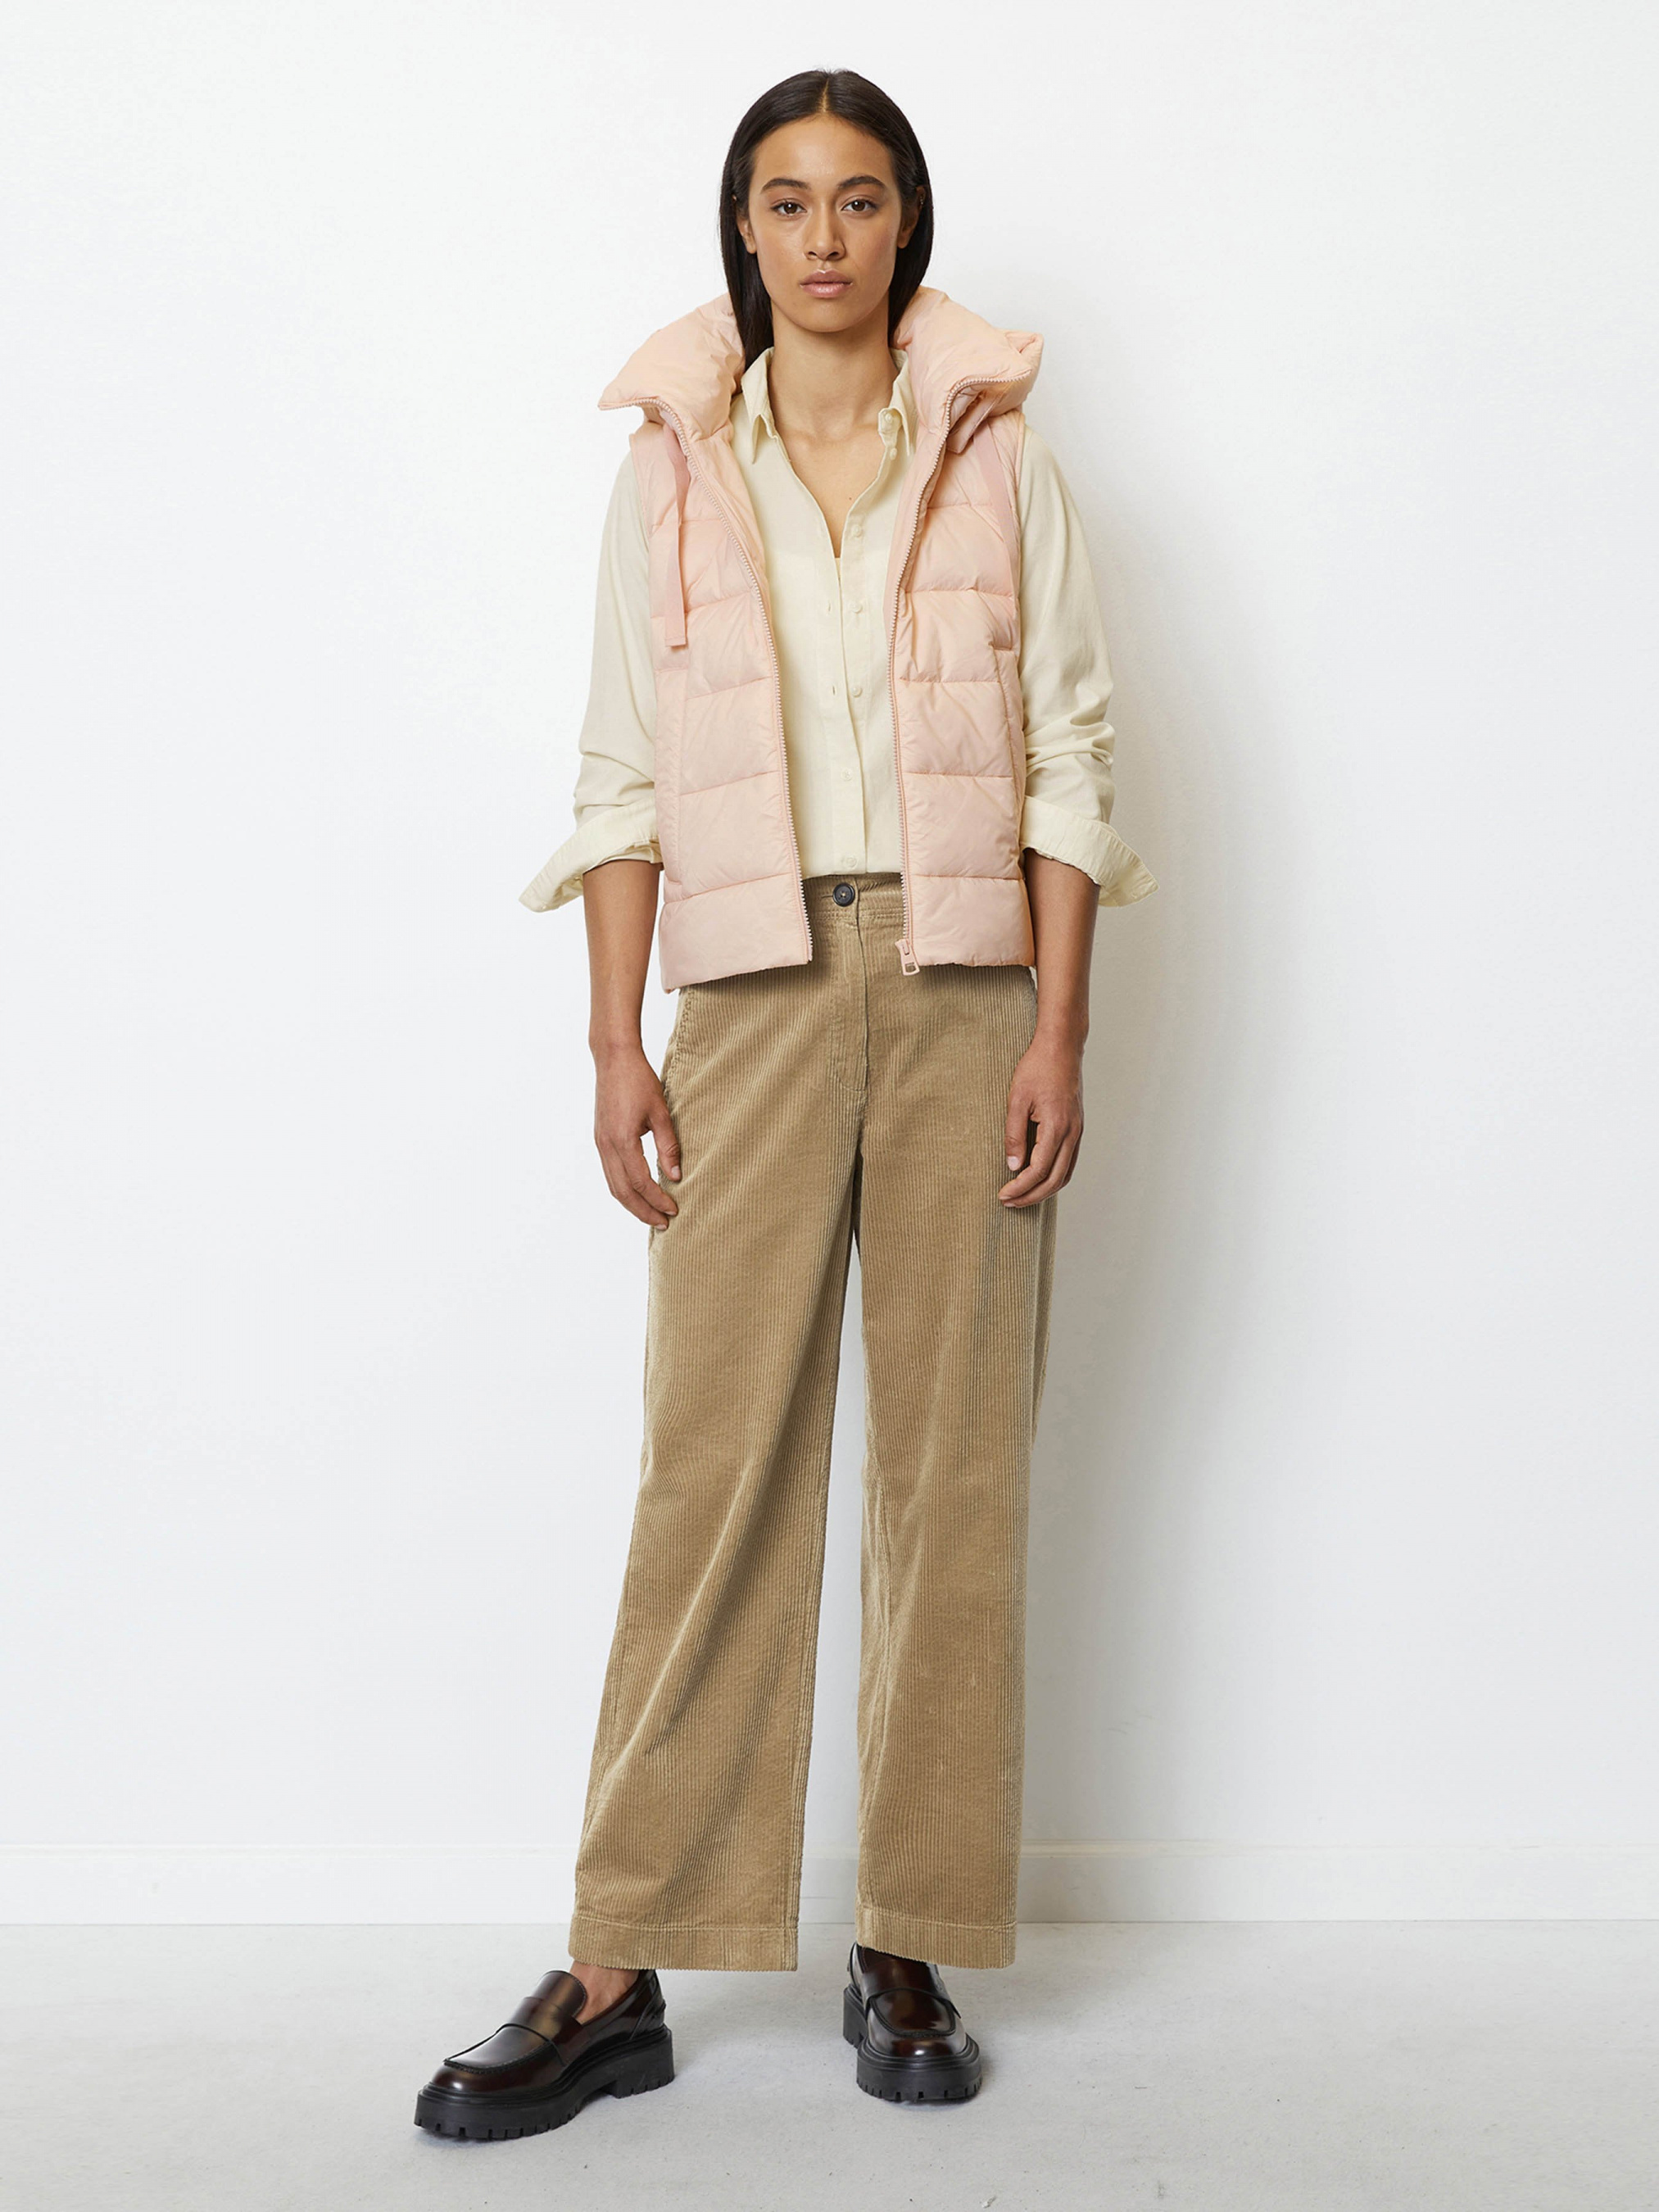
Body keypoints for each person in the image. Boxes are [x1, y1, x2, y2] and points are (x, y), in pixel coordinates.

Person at [415, 65, 1155, 2140]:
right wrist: (614, 1041)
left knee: (949, 1476)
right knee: (709, 1468)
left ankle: (903, 1937)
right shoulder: (669, 475)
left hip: (963, 987)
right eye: (783, 199)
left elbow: (1069, 756)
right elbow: (621, 775)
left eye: (857, 196)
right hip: (740, 991)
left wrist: (1057, 1030)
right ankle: (619, 1957)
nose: (822, 234)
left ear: (905, 223)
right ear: (739, 230)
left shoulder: (1000, 462)